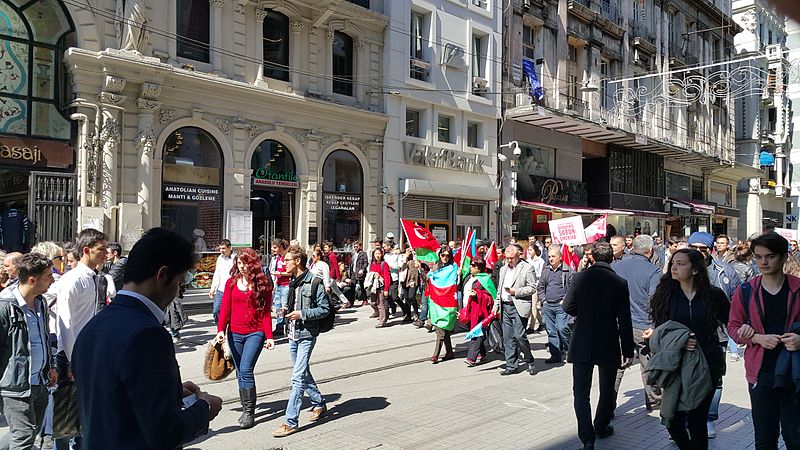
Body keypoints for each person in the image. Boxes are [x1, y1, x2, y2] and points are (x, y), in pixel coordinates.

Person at [72, 228, 221, 448]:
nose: (177, 291)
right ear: (163, 276)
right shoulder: (148, 334)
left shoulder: (94, 324)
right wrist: (204, 408)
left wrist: (169, 391)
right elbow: (166, 433)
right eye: (179, 282)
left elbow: (113, 393)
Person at [646, 248, 729, 449]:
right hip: (676, 366)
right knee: (672, 420)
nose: (674, 267)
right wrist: (680, 341)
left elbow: (731, 322)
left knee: (697, 421)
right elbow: (661, 330)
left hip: (707, 365)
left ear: (694, 269)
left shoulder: (713, 295)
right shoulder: (665, 294)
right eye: (673, 263)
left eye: (681, 263)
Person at [729, 232, 800, 450]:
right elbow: (732, 327)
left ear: (783, 257)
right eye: (758, 257)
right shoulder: (746, 290)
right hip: (761, 372)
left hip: (794, 372)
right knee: (765, 439)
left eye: (769, 256)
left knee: (795, 438)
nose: (763, 262)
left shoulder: (798, 288)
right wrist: (756, 338)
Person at [563, 242, 634, 450]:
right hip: (608, 340)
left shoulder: (579, 278)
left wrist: (583, 314)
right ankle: (601, 425)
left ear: (592, 257)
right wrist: (628, 350)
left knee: (581, 391)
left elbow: (568, 306)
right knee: (607, 388)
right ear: (612, 258)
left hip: (582, 339)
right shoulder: (620, 283)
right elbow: (625, 320)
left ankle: (587, 438)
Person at [0, 253, 58, 449]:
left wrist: (50, 366)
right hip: (16, 387)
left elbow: (43, 337)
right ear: (32, 280)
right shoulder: (6, 305)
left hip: (40, 381)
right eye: (48, 276)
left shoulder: (40, 301)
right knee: (23, 438)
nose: (52, 279)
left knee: (28, 433)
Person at [272, 247, 330, 438]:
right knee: (302, 371)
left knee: (297, 377)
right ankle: (319, 403)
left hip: (306, 334)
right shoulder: (293, 282)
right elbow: (294, 305)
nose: (284, 263)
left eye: (287, 259)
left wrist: (302, 314)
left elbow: (325, 309)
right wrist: (284, 312)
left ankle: (290, 421)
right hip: (292, 333)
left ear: (297, 261)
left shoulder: (315, 282)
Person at [687, 231, 741, 435]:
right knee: (687, 376)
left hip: (717, 334)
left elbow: (736, 301)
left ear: (710, 251)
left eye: (703, 249)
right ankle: (688, 417)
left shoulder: (725, 271)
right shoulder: (679, 268)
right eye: (694, 249)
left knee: (715, 378)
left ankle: (710, 417)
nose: (698, 253)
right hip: (687, 334)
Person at [215, 248, 275, 429]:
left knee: (247, 369)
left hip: (255, 333)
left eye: (245, 263)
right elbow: (225, 308)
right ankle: (245, 408)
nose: (242, 267)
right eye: (239, 263)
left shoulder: (262, 285)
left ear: (253, 264)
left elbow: (265, 313)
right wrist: (220, 330)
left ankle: (249, 412)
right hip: (234, 333)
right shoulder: (231, 283)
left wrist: (269, 336)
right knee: (240, 371)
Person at [611, 234, 663, 410]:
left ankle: (608, 404)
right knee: (648, 364)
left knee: (618, 366)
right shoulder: (653, 270)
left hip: (619, 324)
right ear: (650, 250)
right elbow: (654, 300)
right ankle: (654, 401)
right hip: (643, 325)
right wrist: (654, 326)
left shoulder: (617, 266)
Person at [494, 243, 537, 375]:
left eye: (512, 258)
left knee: (519, 336)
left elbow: (532, 288)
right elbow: (499, 290)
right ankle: (512, 365)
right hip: (505, 306)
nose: (509, 260)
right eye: (507, 258)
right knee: (507, 338)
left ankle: (529, 359)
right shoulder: (503, 269)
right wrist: (496, 305)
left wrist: (516, 291)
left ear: (519, 255)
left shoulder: (527, 268)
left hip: (518, 306)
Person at [537, 244, 574, 364]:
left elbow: (572, 289)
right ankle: (555, 355)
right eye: (549, 256)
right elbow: (541, 287)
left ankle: (571, 350)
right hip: (548, 305)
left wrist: (565, 301)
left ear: (560, 257)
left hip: (561, 306)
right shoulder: (546, 271)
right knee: (551, 331)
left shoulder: (567, 270)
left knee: (562, 328)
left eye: (553, 256)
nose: (551, 259)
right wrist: (543, 300)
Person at [463, 258, 495, 366]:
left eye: (473, 266)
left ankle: (471, 358)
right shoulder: (470, 278)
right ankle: (482, 353)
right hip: (472, 309)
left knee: (476, 333)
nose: (470, 267)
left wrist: (478, 294)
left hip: (482, 312)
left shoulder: (485, 279)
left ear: (479, 268)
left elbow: (491, 296)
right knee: (474, 331)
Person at [429, 246, 457, 364]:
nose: (445, 257)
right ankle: (449, 352)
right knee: (442, 328)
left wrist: (461, 273)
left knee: (441, 328)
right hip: (436, 301)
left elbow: (458, 280)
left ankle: (436, 354)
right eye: (443, 255)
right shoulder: (436, 267)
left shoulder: (454, 267)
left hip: (448, 302)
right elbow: (428, 278)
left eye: (447, 255)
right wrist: (420, 269)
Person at [208, 239, 235, 325]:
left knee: (231, 313)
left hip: (232, 289)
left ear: (230, 248)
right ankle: (220, 329)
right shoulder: (219, 258)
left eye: (223, 248)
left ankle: (228, 329)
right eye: (220, 249)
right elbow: (217, 273)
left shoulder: (235, 258)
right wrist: (213, 288)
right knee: (216, 310)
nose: (221, 251)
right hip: (221, 290)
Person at [269, 239, 291, 337]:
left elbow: (291, 272)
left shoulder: (287, 257)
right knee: (277, 307)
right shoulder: (277, 258)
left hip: (286, 285)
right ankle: (279, 326)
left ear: (281, 247)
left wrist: (280, 273)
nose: (272, 249)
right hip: (278, 284)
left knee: (284, 306)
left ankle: (287, 326)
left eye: (275, 247)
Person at [365, 248, 391, 327]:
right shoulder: (373, 264)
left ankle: (382, 321)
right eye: (376, 254)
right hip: (374, 286)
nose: (377, 255)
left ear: (382, 254)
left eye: (379, 253)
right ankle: (380, 313)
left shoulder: (384, 264)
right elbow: (371, 274)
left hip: (381, 286)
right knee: (372, 303)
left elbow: (387, 277)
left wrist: (386, 289)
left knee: (381, 304)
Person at [399, 245, 420, 322]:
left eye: (410, 250)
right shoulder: (401, 257)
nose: (409, 252)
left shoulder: (415, 257)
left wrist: (412, 280)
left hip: (412, 280)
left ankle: (416, 313)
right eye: (408, 250)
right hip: (404, 280)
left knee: (411, 297)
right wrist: (405, 257)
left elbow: (415, 271)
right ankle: (408, 315)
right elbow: (400, 266)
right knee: (406, 298)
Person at [350, 240, 369, 306]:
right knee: (352, 287)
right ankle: (351, 302)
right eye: (354, 246)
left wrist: (363, 270)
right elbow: (351, 263)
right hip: (354, 272)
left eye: (357, 246)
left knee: (362, 286)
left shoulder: (363, 254)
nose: (355, 248)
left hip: (360, 272)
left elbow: (366, 262)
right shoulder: (353, 254)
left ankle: (365, 300)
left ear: (360, 246)